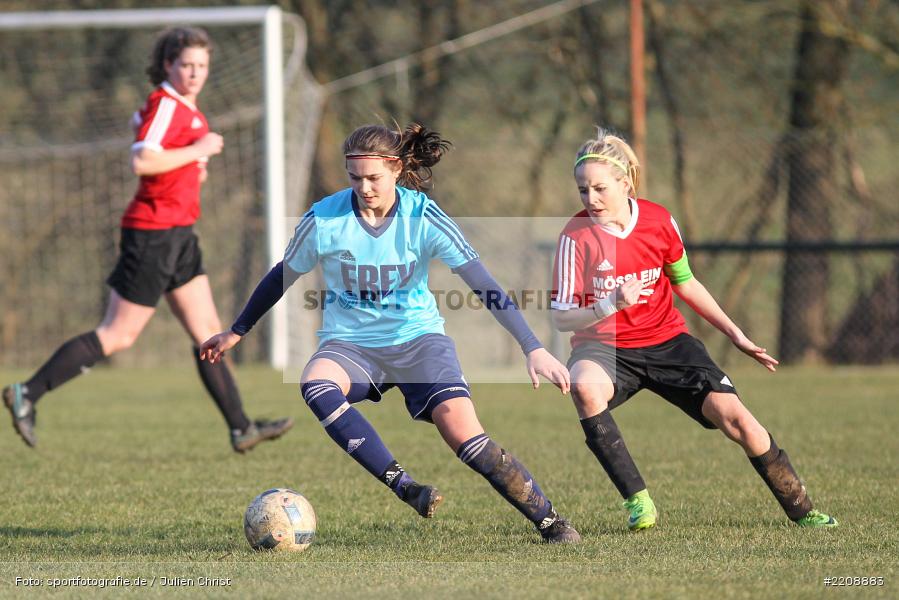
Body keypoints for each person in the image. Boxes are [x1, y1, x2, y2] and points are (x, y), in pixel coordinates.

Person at [201, 123, 581, 543]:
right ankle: (405, 486)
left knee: (464, 435)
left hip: (419, 341)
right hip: (351, 345)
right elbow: (281, 276)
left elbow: (484, 284)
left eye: (373, 178)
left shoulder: (423, 216)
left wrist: (532, 347)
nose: (363, 188)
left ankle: (551, 522)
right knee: (316, 384)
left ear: (397, 169)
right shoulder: (324, 218)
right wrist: (237, 331)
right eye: (354, 178)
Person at [3, 27, 292, 453]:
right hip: (153, 233)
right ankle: (27, 392)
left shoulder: (180, 107)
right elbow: (142, 159)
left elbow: (148, 134)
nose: (195, 73)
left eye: (202, 65)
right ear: (168, 65)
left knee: (208, 334)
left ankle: (241, 427)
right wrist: (198, 150)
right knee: (118, 334)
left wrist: (191, 164)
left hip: (179, 234)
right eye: (186, 65)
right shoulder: (167, 103)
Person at [550, 128, 837, 530]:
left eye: (600, 188)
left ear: (625, 183)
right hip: (604, 347)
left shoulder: (658, 221)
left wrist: (735, 334)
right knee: (584, 387)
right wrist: (609, 303)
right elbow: (561, 317)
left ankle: (803, 511)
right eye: (583, 190)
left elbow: (685, 282)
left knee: (738, 421)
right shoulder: (574, 236)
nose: (590, 199)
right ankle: (638, 502)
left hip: (667, 341)